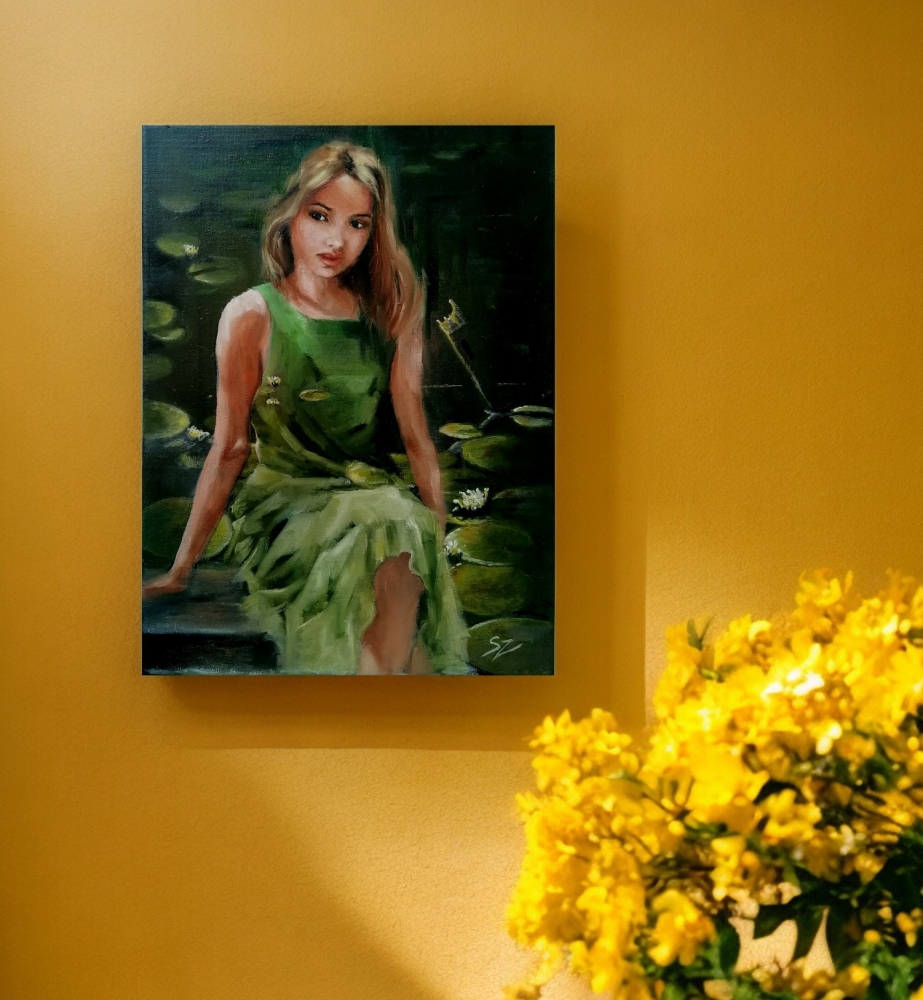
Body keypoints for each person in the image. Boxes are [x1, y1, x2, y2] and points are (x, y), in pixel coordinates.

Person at [143, 141, 470, 675]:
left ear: (373, 234)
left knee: (398, 524)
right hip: (286, 508)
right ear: (289, 216)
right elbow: (229, 448)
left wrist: (436, 546)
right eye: (320, 216)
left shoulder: (389, 313)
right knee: (387, 523)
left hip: (368, 499)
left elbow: (416, 439)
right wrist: (181, 569)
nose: (336, 240)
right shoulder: (251, 314)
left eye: (358, 224)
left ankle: (374, 694)